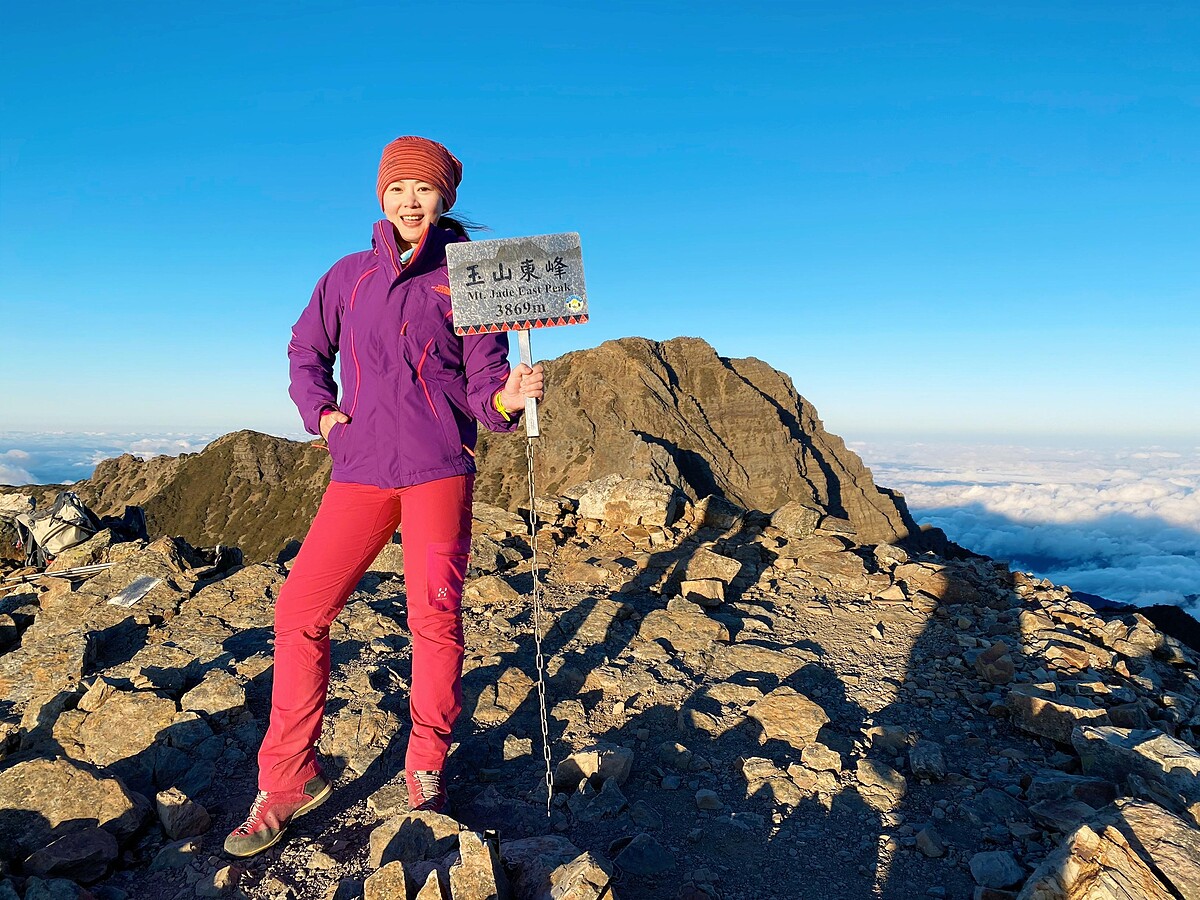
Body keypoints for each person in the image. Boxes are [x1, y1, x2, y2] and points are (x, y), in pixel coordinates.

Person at [224, 136, 544, 858]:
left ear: (444, 198)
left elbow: (483, 381)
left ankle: (425, 764)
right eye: (397, 187)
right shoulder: (348, 275)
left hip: (438, 468)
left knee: (433, 617)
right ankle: (288, 781)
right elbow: (306, 349)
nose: (410, 201)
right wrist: (323, 415)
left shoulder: (471, 279)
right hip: (360, 468)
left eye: (423, 189)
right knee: (300, 611)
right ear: (381, 195)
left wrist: (507, 398)